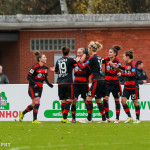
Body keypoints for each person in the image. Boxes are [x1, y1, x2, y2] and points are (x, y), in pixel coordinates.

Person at [76, 41, 107, 123]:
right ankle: (104, 119)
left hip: (96, 80)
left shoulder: (92, 58)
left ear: (91, 48)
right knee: (98, 99)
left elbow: (83, 68)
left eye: (88, 48)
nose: (88, 51)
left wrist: (78, 62)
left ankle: (89, 119)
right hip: (101, 79)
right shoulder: (99, 57)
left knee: (88, 98)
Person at [19, 51, 53, 123]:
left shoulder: (46, 68)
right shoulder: (35, 67)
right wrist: (34, 84)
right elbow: (28, 77)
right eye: (44, 57)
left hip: (40, 88)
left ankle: (22, 113)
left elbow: (44, 78)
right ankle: (34, 120)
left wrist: (49, 84)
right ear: (40, 59)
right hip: (33, 88)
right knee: (37, 102)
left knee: (33, 104)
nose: (46, 58)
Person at [51, 46, 76, 124]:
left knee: (63, 100)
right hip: (68, 82)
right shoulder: (71, 60)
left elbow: (56, 72)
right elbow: (78, 64)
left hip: (60, 82)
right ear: (69, 53)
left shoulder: (58, 60)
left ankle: (63, 117)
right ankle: (64, 118)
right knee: (70, 99)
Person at [114, 51, 140, 123]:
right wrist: (118, 66)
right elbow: (125, 68)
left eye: (124, 56)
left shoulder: (133, 64)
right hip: (127, 86)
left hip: (133, 86)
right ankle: (129, 116)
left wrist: (122, 74)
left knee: (135, 102)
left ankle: (138, 119)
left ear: (128, 57)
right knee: (123, 101)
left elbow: (133, 74)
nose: (123, 58)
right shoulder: (127, 64)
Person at [102, 46, 122, 123]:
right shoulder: (106, 60)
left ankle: (117, 118)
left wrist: (114, 66)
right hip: (107, 83)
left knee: (116, 100)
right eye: (109, 52)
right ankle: (107, 118)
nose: (109, 53)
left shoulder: (117, 61)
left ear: (115, 54)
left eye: (110, 52)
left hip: (115, 83)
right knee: (105, 99)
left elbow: (120, 69)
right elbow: (99, 61)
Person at [71, 48, 91, 123]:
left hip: (84, 84)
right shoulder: (74, 62)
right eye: (77, 53)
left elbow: (88, 72)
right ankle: (73, 118)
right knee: (74, 100)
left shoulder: (87, 62)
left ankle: (89, 117)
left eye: (80, 53)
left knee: (86, 101)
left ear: (84, 54)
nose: (78, 54)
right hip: (76, 84)